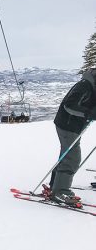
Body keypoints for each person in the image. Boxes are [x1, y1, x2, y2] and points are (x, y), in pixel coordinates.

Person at [43, 67, 96, 207]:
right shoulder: (84, 86)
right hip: (67, 125)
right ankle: (60, 192)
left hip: (74, 126)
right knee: (72, 157)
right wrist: (89, 114)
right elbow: (69, 105)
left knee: (67, 155)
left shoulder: (93, 85)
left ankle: (56, 186)